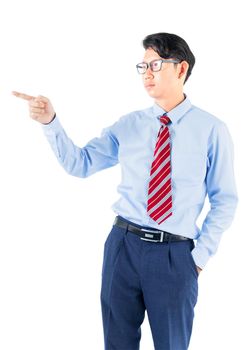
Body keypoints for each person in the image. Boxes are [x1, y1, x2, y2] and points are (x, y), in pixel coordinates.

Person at [13, 32, 238, 350]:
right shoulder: (129, 124)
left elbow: (225, 199)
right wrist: (51, 122)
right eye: (142, 66)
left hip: (174, 255)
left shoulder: (212, 130)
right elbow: (82, 164)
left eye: (156, 64)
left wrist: (197, 258)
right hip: (123, 247)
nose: (147, 73)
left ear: (181, 68)